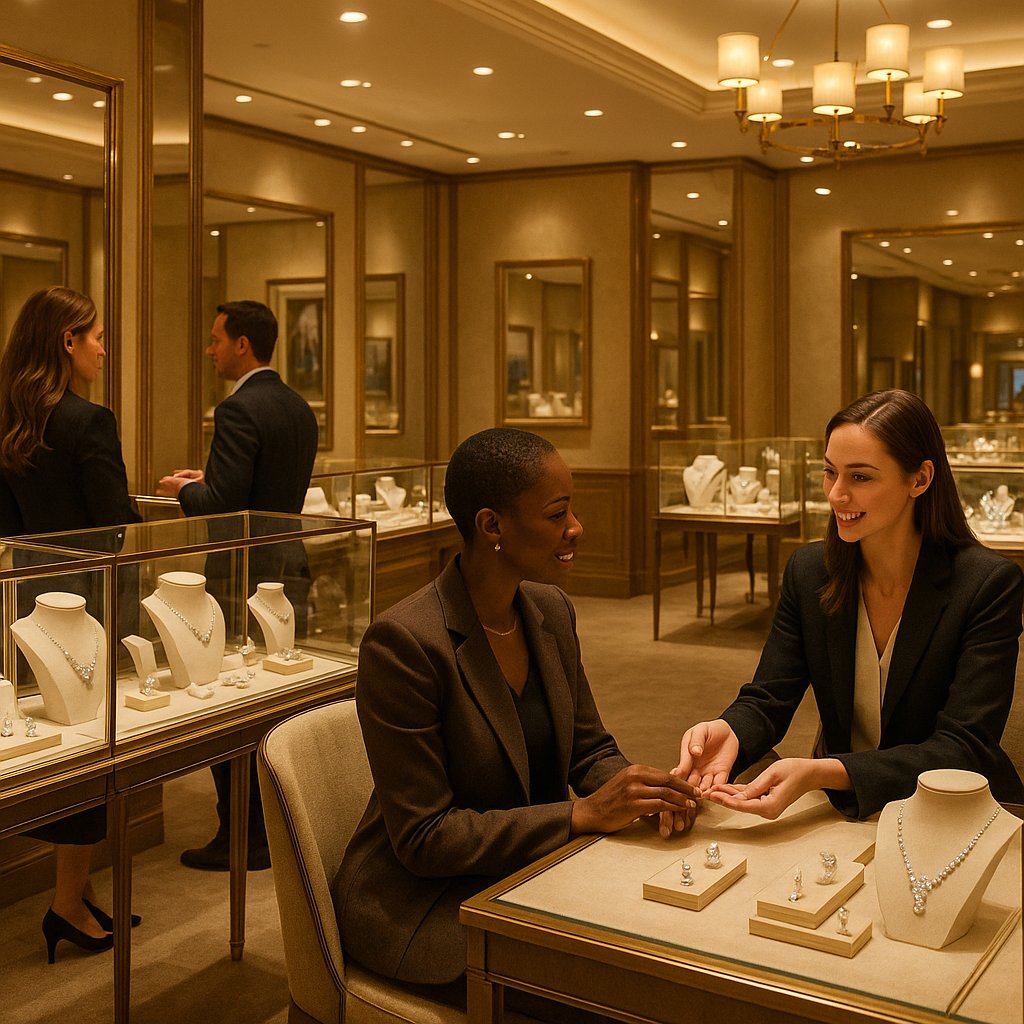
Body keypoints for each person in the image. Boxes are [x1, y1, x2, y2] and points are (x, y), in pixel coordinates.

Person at [332, 427, 697, 995]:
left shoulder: (549, 609)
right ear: (491, 526)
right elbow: (426, 837)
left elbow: (589, 751)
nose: (576, 527)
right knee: (609, 990)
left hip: (529, 873)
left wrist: (647, 795)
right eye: (557, 514)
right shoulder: (404, 643)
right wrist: (581, 815)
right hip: (424, 908)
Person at [664, 389, 1024, 834]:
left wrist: (826, 771)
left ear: (920, 479)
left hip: (954, 818)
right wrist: (730, 730)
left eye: (860, 477)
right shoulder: (809, 571)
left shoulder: (986, 584)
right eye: (830, 472)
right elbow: (769, 697)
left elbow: (963, 748)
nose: (836, 494)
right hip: (846, 811)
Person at [0, 286, 140, 961]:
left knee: (58, 741)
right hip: (88, 604)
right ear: (67, 341)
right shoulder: (90, 421)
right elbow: (115, 525)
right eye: (97, 337)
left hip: (27, 605)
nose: (102, 350)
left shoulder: (10, 421)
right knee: (90, 749)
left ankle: (77, 892)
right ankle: (64, 904)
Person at [157, 299, 318, 871]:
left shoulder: (236, 409)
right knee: (280, 698)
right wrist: (211, 479)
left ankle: (241, 836)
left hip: (243, 574)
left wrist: (185, 489)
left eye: (216, 339)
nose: (211, 350)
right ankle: (281, 825)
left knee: (233, 697)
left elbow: (223, 505)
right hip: (289, 564)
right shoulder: (297, 406)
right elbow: (261, 487)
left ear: (242, 344)